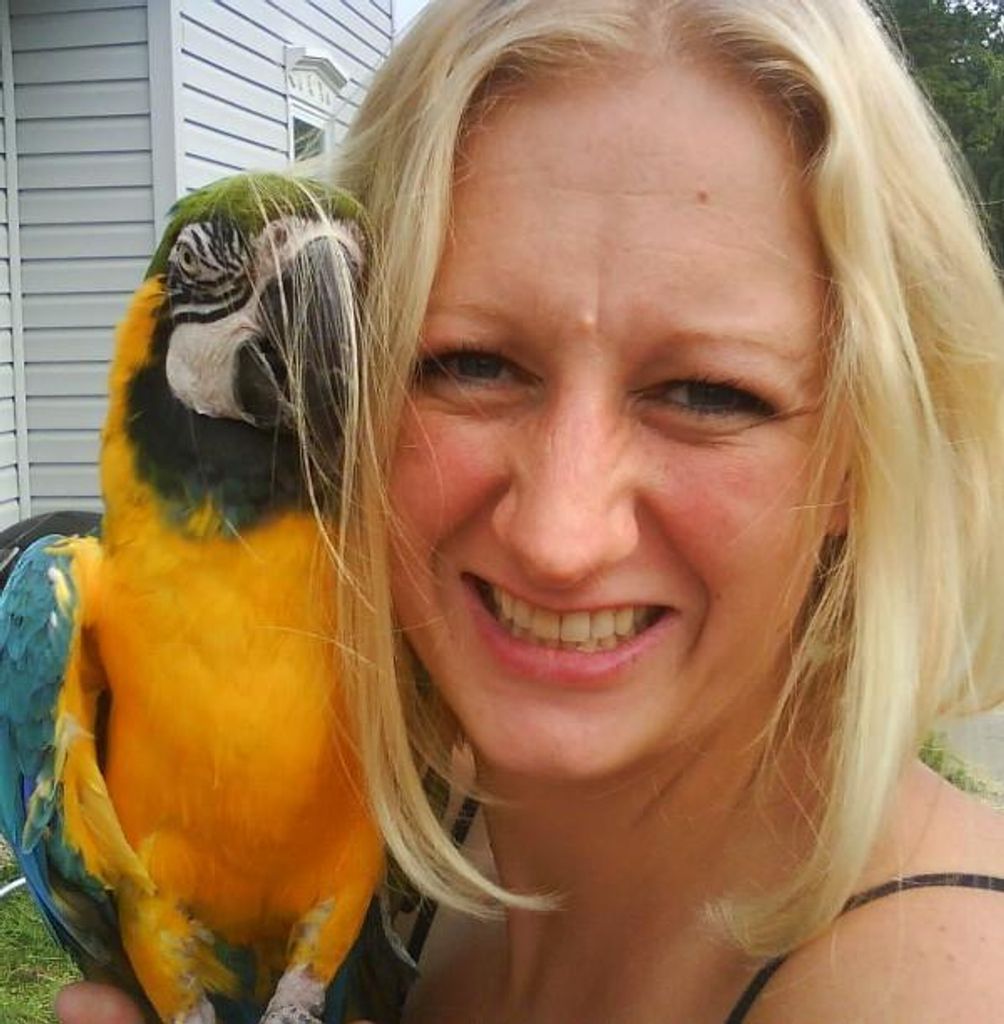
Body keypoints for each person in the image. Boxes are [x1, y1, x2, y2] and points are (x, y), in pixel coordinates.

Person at [57, 0, 1004, 1021]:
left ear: (866, 455)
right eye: (470, 364)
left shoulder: (937, 989)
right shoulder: (413, 821)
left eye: (706, 394)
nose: (559, 540)